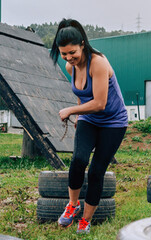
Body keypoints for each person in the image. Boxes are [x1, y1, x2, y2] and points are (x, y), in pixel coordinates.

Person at [49, 19, 128, 234]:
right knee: (78, 160)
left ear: (82, 44)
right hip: (89, 119)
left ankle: (86, 220)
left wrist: (70, 112)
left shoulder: (99, 63)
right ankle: (72, 205)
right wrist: (79, 117)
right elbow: (81, 95)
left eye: (72, 52)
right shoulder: (70, 66)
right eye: (64, 53)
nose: (68, 58)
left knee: (95, 171)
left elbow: (99, 103)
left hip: (113, 122)